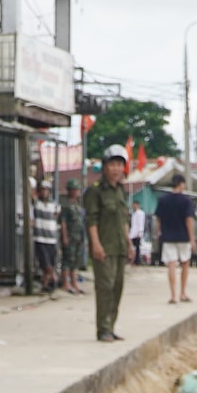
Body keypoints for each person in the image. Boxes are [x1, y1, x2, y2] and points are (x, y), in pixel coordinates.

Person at [84, 146, 133, 342]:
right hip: (104, 246)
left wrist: (129, 244)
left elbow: (123, 221)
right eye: (112, 164)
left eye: (119, 165)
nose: (116, 169)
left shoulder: (121, 190)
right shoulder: (95, 192)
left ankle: (111, 326)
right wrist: (96, 244)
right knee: (105, 287)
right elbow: (92, 220)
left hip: (120, 247)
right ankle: (102, 328)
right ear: (104, 167)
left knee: (117, 287)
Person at [154, 174, 195, 304]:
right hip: (183, 236)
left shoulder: (162, 200)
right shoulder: (186, 200)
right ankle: (183, 293)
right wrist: (192, 238)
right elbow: (189, 220)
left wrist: (158, 234)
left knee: (171, 264)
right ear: (181, 184)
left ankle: (173, 295)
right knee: (185, 263)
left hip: (168, 236)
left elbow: (158, 219)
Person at [31, 180, 61, 292]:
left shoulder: (54, 204)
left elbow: (57, 215)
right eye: (42, 190)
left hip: (51, 238)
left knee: (50, 263)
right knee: (45, 263)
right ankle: (54, 278)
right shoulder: (36, 203)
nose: (44, 192)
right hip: (40, 238)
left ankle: (46, 284)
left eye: (46, 190)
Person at [58, 180, 86, 295]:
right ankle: (66, 283)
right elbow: (63, 222)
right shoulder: (66, 205)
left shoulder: (77, 204)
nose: (76, 192)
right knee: (67, 260)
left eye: (77, 189)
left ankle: (74, 283)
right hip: (69, 236)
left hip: (78, 236)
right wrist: (64, 237)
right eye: (74, 189)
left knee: (75, 261)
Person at [128, 199, 147, 266]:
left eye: (135, 204)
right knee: (132, 246)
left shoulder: (141, 213)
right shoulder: (134, 213)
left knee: (137, 247)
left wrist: (140, 232)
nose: (134, 206)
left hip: (137, 232)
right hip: (133, 232)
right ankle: (132, 259)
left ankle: (137, 261)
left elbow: (141, 223)